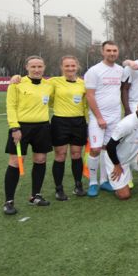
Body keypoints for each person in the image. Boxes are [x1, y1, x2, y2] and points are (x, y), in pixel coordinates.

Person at [3, 56, 53, 215]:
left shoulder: (49, 85)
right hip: (21, 128)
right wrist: (14, 128)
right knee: (16, 162)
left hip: (43, 127)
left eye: (40, 66)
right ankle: (9, 201)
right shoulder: (17, 83)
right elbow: (10, 106)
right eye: (33, 67)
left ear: (44, 67)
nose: (37, 70)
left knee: (40, 159)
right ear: (27, 68)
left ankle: (35, 196)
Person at [84, 41, 124, 196]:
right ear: (103, 52)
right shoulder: (94, 71)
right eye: (109, 50)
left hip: (115, 117)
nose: (112, 53)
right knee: (95, 149)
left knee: (108, 148)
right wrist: (99, 117)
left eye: (114, 50)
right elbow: (90, 95)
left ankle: (104, 180)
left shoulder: (120, 70)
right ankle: (93, 182)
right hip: (98, 117)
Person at [48, 56, 89, 200]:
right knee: (60, 155)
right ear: (62, 67)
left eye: (73, 65)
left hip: (78, 122)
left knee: (77, 155)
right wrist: (16, 78)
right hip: (60, 122)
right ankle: (59, 189)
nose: (70, 68)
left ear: (77, 66)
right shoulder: (54, 82)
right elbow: (38, 86)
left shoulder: (83, 84)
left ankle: (78, 186)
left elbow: (86, 104)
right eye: (67, 66)